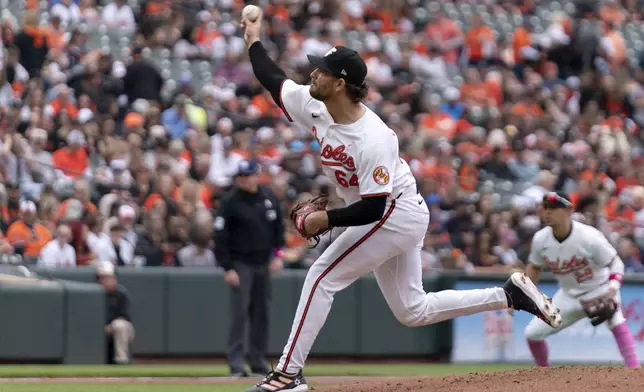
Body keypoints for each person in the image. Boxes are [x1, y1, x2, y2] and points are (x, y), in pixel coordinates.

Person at [239, 9, 563, 392]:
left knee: (321, 276)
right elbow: (272, 78)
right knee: (412, 310)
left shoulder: (374, 137)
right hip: (393, 211)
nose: (313, 74)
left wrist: (324, 221)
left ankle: (287, 375)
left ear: (341, 84)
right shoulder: (315, 106)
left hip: (394, 210)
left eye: (321, 70)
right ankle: (507, 294)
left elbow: (374, 208)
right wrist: (253, 36)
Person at [522, 192, 639, 368]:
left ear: (568, 210)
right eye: (545, 207)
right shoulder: (541, 239)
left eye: (553, 208)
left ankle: (635, 372)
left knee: (616, 320)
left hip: (599, 289)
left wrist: (613, 288)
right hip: (568, 295)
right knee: (532, 333)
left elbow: (616, 263)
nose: (547, 212)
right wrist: (521, 293)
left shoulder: (588, 236)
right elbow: (535, 267)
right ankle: (543, 376)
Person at [213, 159, 285, 377]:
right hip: (240, 263)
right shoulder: (230, 202)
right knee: (240, 313)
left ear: (256, 175)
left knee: (261, 313)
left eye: (247, 175)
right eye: (241, 176)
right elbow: (220, 236)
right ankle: (236, 362)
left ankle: (257, 360)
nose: (243, 179)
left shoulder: (268, 198)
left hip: (263, 262)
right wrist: (227, 267)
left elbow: (278, 229)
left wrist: (277, 254)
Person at [96, 260, 135, 364]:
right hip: (98, 328)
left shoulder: (121, 294)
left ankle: (121, 360)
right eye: (103, 278)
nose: (107, 280)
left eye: (109, 277)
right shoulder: (94, 293)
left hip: (118, 327)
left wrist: (110, 326)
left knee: (120, 325)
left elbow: (125, 316)